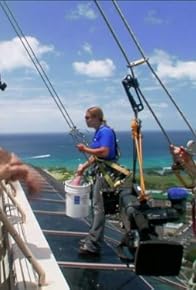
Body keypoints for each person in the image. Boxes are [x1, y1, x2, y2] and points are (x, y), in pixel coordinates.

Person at [76, 106, 117, 255]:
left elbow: (104, 152)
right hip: (100, 172)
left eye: (87, 117)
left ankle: (93, 244)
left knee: (99, 208)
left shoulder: (105, 132)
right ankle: (92, 239)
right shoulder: (99, 132)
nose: (85, 120)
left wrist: (85, 149)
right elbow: (96, 156)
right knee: (96, 207)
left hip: (105, 174)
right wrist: (84, 167)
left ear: (96, 118)